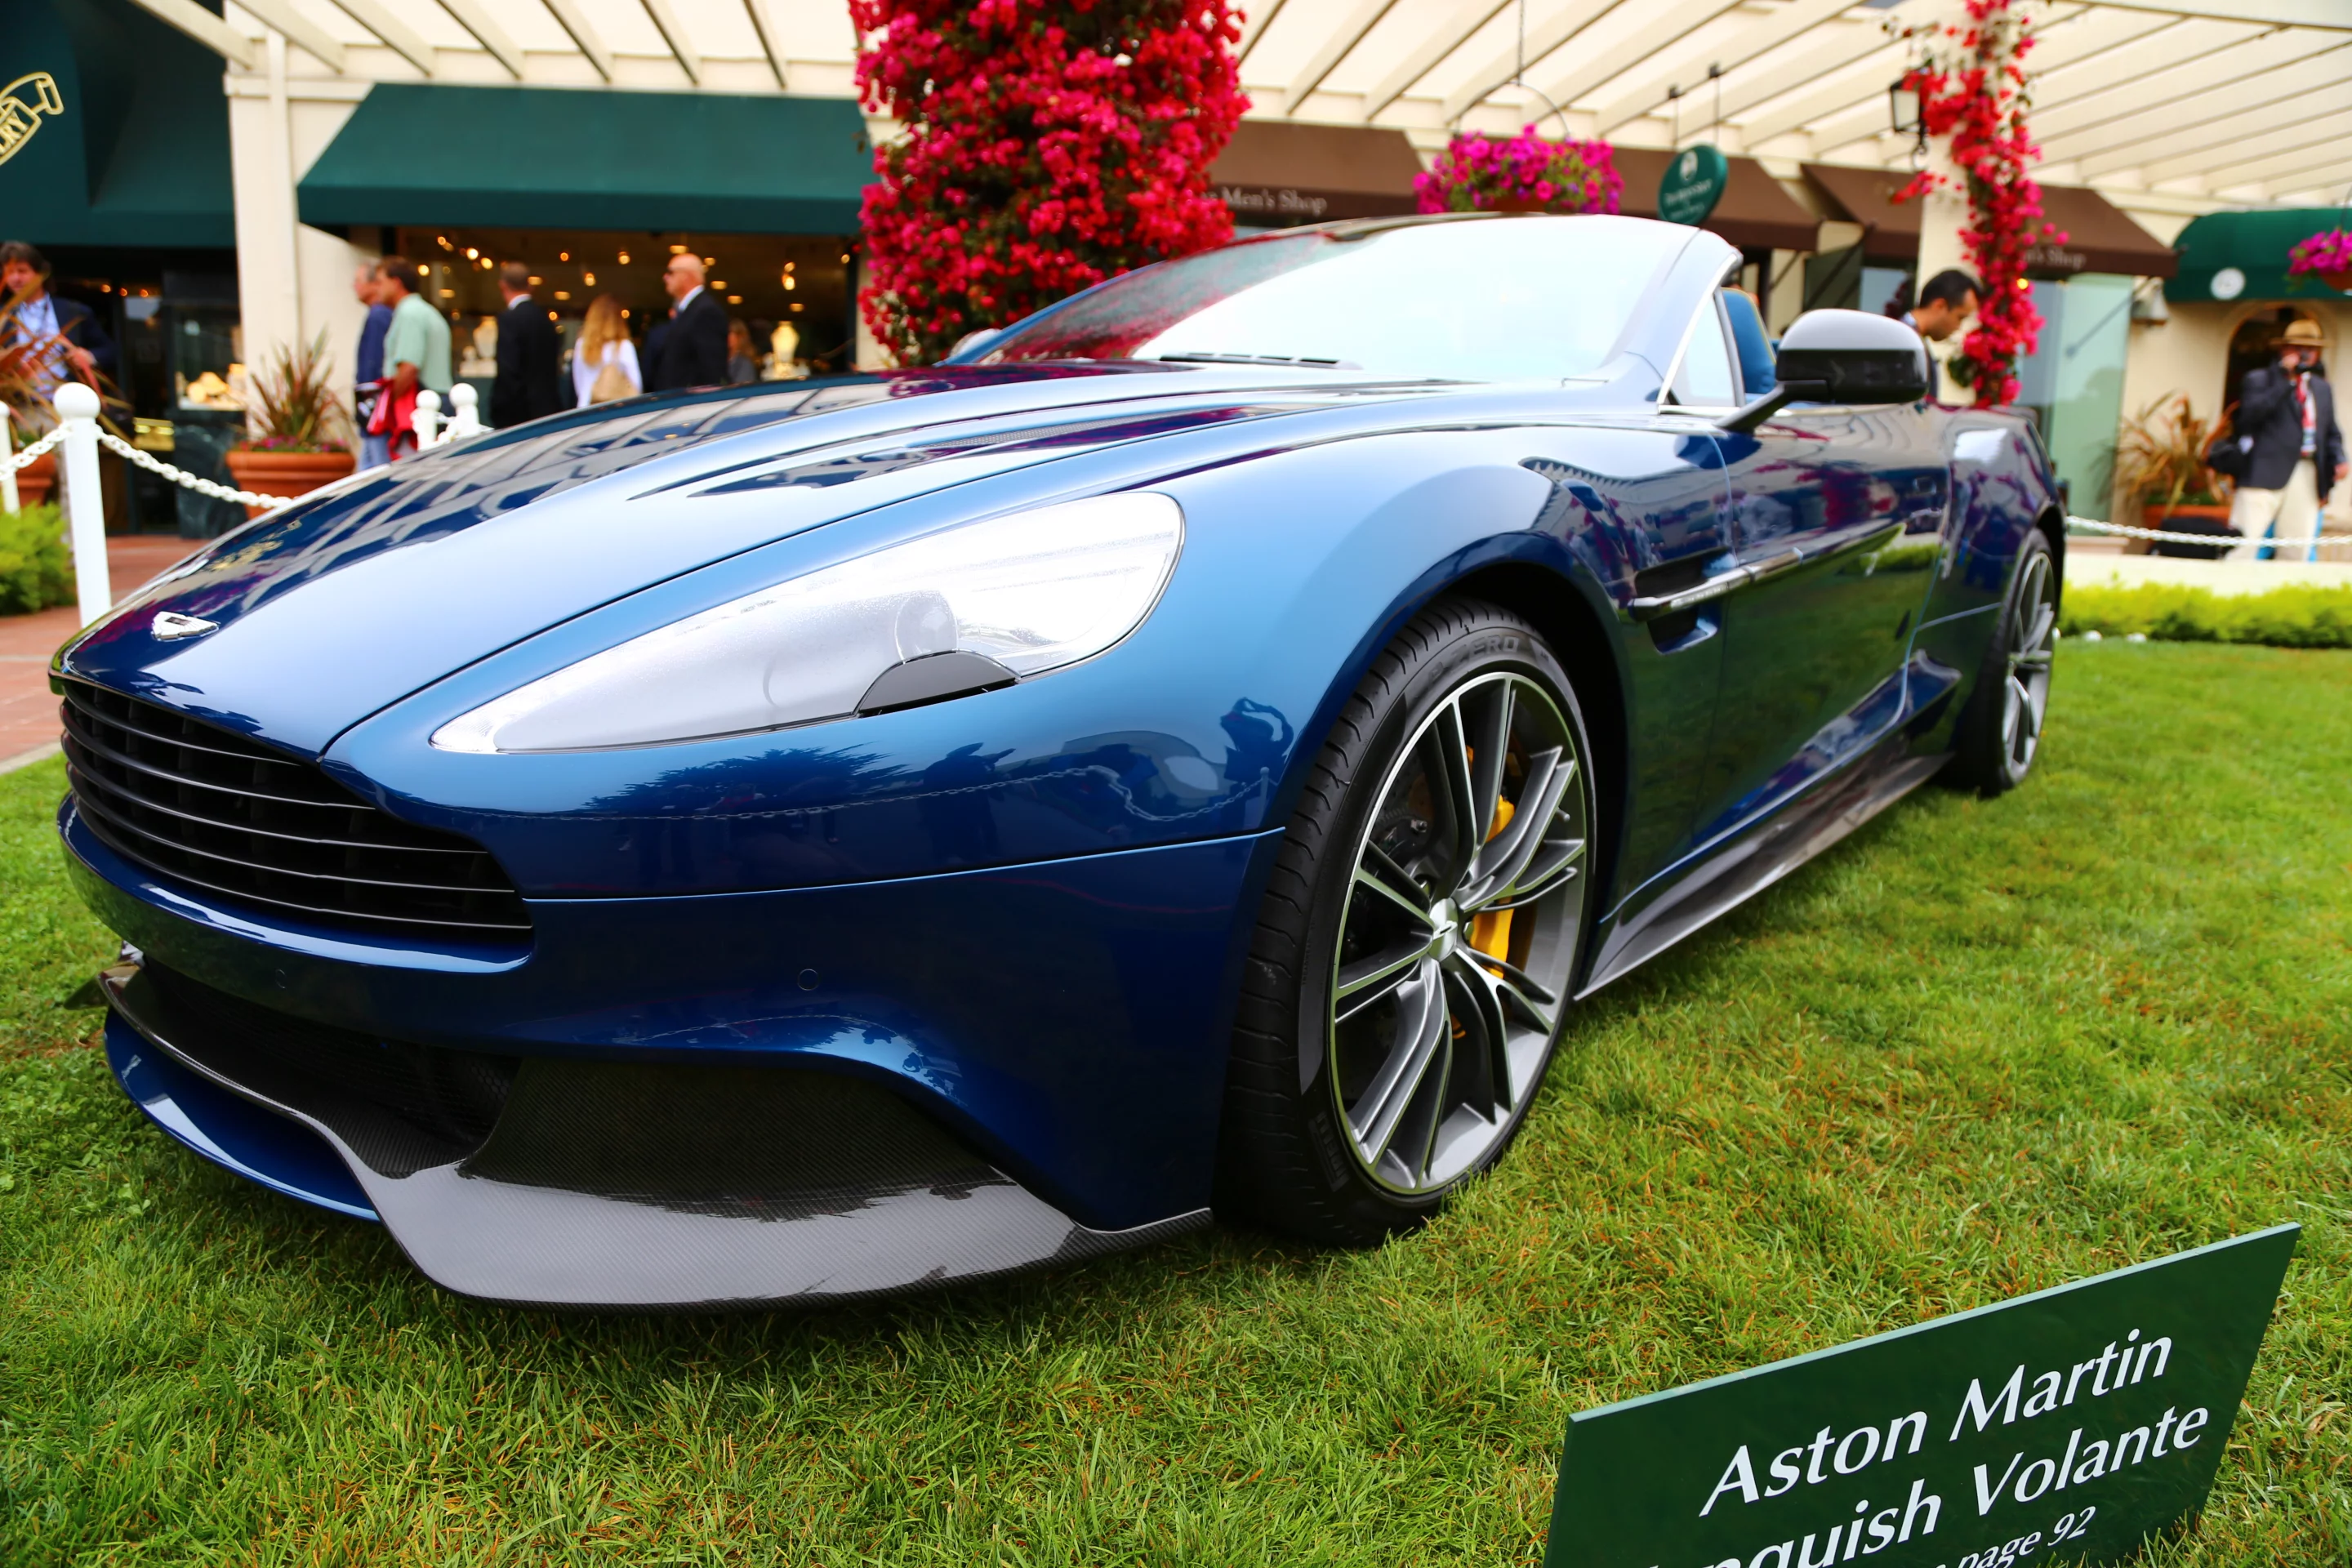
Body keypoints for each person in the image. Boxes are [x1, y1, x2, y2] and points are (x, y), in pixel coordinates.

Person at [2230, 318, 2346, 564]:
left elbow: (2330, 431)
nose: (2305, 354)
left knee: (2296, 545)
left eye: (2311, 349)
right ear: (2283, 350)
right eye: (2298, 348)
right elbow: (2249, 418)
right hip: (2264, 470)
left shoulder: (2322, 388)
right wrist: (2286, 381)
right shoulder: (2259, 380)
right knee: (2245, 541)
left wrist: (2339, 459)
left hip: (2307, 470)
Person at [0, 240, 116, 406]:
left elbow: (110, 350)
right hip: (19, 407)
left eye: (22, 271)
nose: (15, 278)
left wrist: (89, 357)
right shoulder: (3, 316)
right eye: (9, 272)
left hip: (68, 405)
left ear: (41, 273)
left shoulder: (73, 311)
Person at [372, 256, 452, 459]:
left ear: (396, 282)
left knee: (416, 472)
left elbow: (408, 368)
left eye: (380, 282)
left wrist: (388, 405)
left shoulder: (409, 313)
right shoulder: (422, 310)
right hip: (434, 402)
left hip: (422, 407)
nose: (376, 288)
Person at [489, 261, 563, 428]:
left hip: (518, 415)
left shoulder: (509, 319)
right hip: (548, 409)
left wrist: (499, 410)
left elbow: (508, 371)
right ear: (530, 286)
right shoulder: (546, 319)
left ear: (503, 286)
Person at [644, 252, 728, 391]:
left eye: (671, 272)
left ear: (686, 276)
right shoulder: (690, 310)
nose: (665, 277)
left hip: (691, 402)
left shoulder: (706, 311)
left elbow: (711, 370)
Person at [1900, 269, 1980, 400]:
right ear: (1939, 306)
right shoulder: (1903, 344)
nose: (1958, 327)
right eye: (1960, 318)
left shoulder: (1912, 341)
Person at [353, 262, 393, 469]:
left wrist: (368, 404)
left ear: (374, 284)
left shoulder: (378, 315)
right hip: (375, 407)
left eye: (358, 281)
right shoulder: (379, 314)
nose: (354, 286)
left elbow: (373, 364)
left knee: (378, 469)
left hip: (377, 409)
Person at [571, 294, 642, 407]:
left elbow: (578, 382)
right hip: (615, 409)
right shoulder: (624, 346)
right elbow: (636, 384)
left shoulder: (582, 344)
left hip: (586, 406)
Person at [725, 318, 760, 385]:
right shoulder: (723, 360)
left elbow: (738, 388)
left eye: (729, 333)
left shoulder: (745, 364)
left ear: (740, 336)